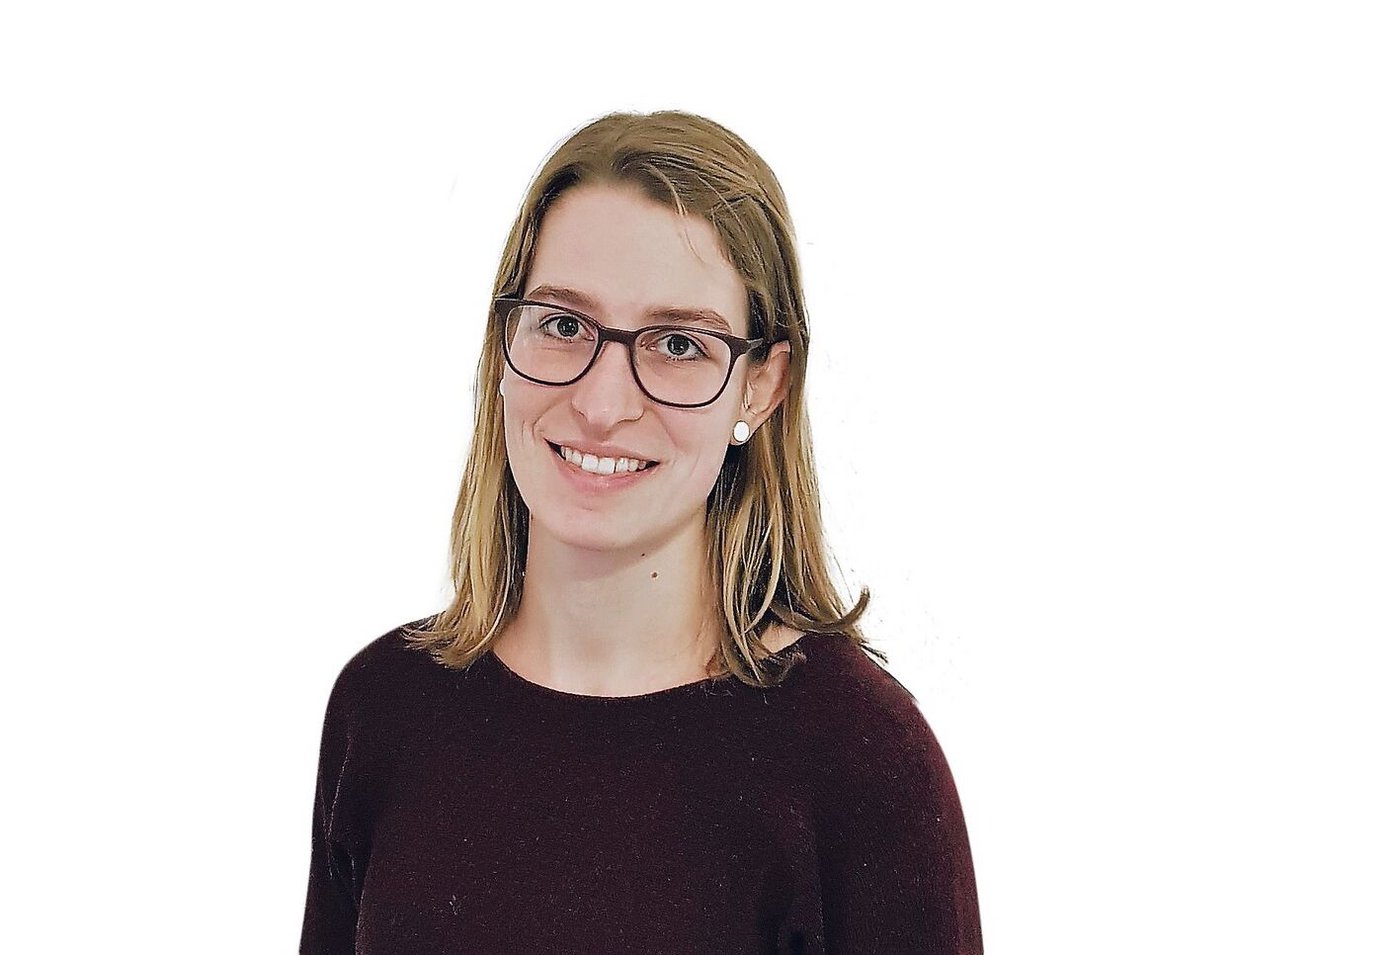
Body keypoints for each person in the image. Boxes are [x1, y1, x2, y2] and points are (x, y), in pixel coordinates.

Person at [300, 110, 983, 953]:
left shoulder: (862, 762)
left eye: (676, 344)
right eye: (563, 325)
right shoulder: (383, 709)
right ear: (505, 341)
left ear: (762, 386)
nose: (601, 403)